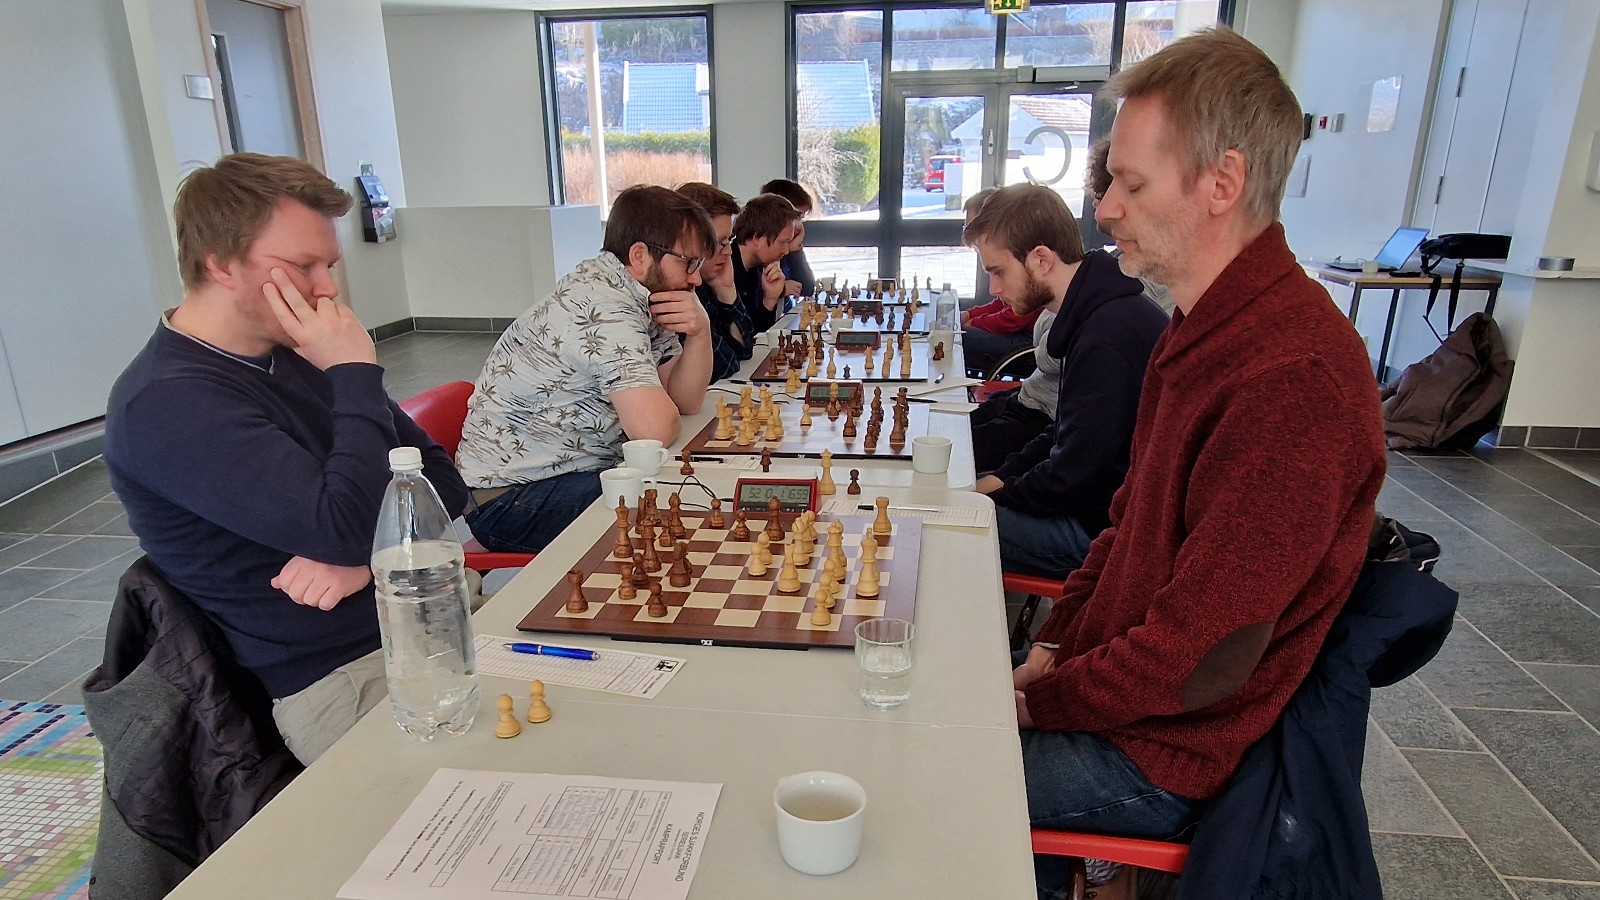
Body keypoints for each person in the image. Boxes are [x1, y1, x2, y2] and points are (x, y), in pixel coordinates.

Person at [1009, 29, 1385, 899]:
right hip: (1129, 710)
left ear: (1222, 183)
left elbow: (1200, 658)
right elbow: (1125, 523)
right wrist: (1055, 641)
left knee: (924, 778)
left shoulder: (1292, 379)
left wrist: (1040, 701)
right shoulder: (1204, 325)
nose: (1102, 210)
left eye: (1131, 185)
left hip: (1166, 757)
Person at [103, 152, 469, 766]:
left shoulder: (297, 354)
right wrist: (353, 375)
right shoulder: (168, 402)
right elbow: (342, 525)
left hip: (426, 620)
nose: (326, 288)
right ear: (219, 263)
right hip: (346, 676)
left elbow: (442, 483)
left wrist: (367, 565)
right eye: (302, 266)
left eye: (328, 264)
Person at [456, 186, 715, 553]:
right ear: (640, 255)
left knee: (678, 492)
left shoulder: (639, 295)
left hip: (559, 476)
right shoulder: (604, 307)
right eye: (688, 263)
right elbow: (653, 431)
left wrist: (700, 331)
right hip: (512, 499)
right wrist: (656, 409)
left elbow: (685, 400)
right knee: (680, 506)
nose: (695, 279)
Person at [968, 185, 1167, 580]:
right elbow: (1064, 432)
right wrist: (1001, 478)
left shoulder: (1105, 338)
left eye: (998, 272)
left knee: (941, 525)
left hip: (1101, 532)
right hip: (1091, 505)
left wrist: (999, 495)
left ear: (1041, 259)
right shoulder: (1095, 314)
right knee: (963, 497)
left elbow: (1072, 475)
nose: (994, 289)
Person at [961, 188, 1047, 376]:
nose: (994, 288)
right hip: (1025, 336)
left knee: (958, 338)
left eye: (974, 229)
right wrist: (970, 313)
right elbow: (1001, 304)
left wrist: (974, 321)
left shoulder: (1025, 268)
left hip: (1026, 344)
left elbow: (1011, 321)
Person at [677, 182, 753, 381]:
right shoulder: (678, 291)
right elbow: (724, 366)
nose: (728, 251)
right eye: (719, 243)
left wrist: (726, 290)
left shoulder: (708, 283)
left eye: (729, 240)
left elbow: (744, 351)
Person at [731, 193, 804, 333]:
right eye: (783, 242)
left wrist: (770, 298)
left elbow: (760, 334)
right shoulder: (727, 269)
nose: (786, 251)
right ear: (758, 238)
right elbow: (745, 342)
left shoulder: (756, 268)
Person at [758, 178, 817, 297]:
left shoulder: (786, 247)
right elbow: (751, 297)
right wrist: (781, 290)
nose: (799, 225)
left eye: (801, 218)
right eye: (797, 217)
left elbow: (807, 288)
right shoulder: (762, 248)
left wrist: (795, 248)